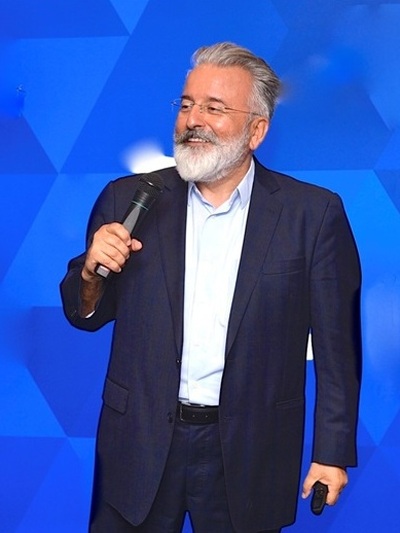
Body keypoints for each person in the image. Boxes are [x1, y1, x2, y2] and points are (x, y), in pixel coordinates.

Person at [60, 42, 362, 533]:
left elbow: (337, 349)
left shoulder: (313, 215)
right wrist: (91, 275)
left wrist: (331, 452)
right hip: (138, 445)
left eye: (214, 108)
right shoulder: (129, 199)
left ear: (256, 131)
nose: (193, 120)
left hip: (250, 450)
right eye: (186, 105)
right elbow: (84, 312)